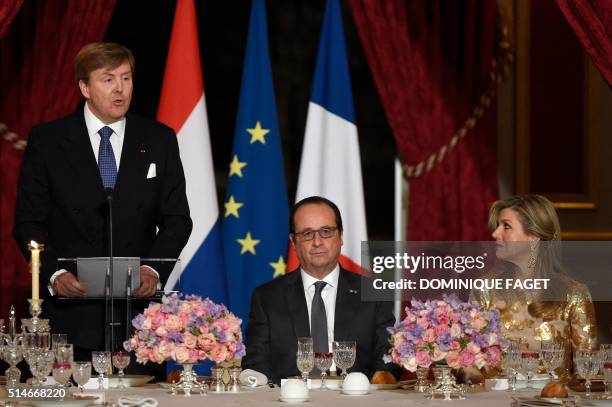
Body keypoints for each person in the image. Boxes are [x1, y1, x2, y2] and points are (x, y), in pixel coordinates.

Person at [13, 43, 192, 364]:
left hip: (139, 319)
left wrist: (152, 269)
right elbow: (28, 222)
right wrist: (55, 273)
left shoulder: (158, 139)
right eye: (108, 79)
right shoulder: (48, 140)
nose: (120, 89)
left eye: (126, 78)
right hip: (70, 316)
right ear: (84, 87)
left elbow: (177, 218)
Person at [241, 196, 399, 384]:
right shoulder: (266, 297)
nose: (317, 242)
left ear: (341, 236)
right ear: (293, 241)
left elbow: (387, 358)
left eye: (326, 231)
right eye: (307, 233)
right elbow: (256, 362)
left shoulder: (373, 292)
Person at [470, 195, 597, 376]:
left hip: (554, 401)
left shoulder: (574, 294)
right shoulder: (485, 289)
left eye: (506, 226)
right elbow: (469, 362)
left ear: (533, 236)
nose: (495, 233)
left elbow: (587, 371)